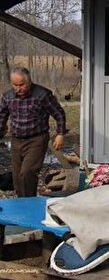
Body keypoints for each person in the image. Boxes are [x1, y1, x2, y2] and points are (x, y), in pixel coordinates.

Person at [0, 67, 67, 197]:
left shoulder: (42, 95)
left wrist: (60, 134)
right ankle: (22, 202)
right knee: (17, 177)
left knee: (27, 173)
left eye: (21, 85)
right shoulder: (8, 97)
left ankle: (28, 203)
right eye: (15, 85)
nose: (18, 89)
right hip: (16, 140)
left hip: (37, 139)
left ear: (29, 81)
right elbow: (2, 117)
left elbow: (59, 114)